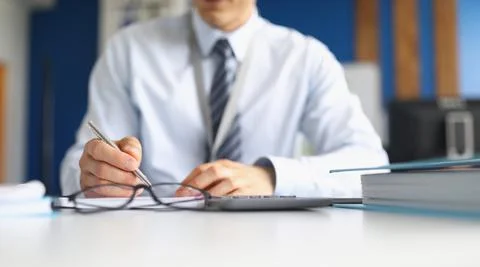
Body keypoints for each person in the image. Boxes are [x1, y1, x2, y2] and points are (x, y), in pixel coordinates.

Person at [60, 0, 389, 198]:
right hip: (157, 249)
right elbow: (76, 163)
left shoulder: (306, 59)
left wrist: (271, 177)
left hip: (271, 249)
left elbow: (370, 165)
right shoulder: (129, 50)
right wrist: (93, 173)